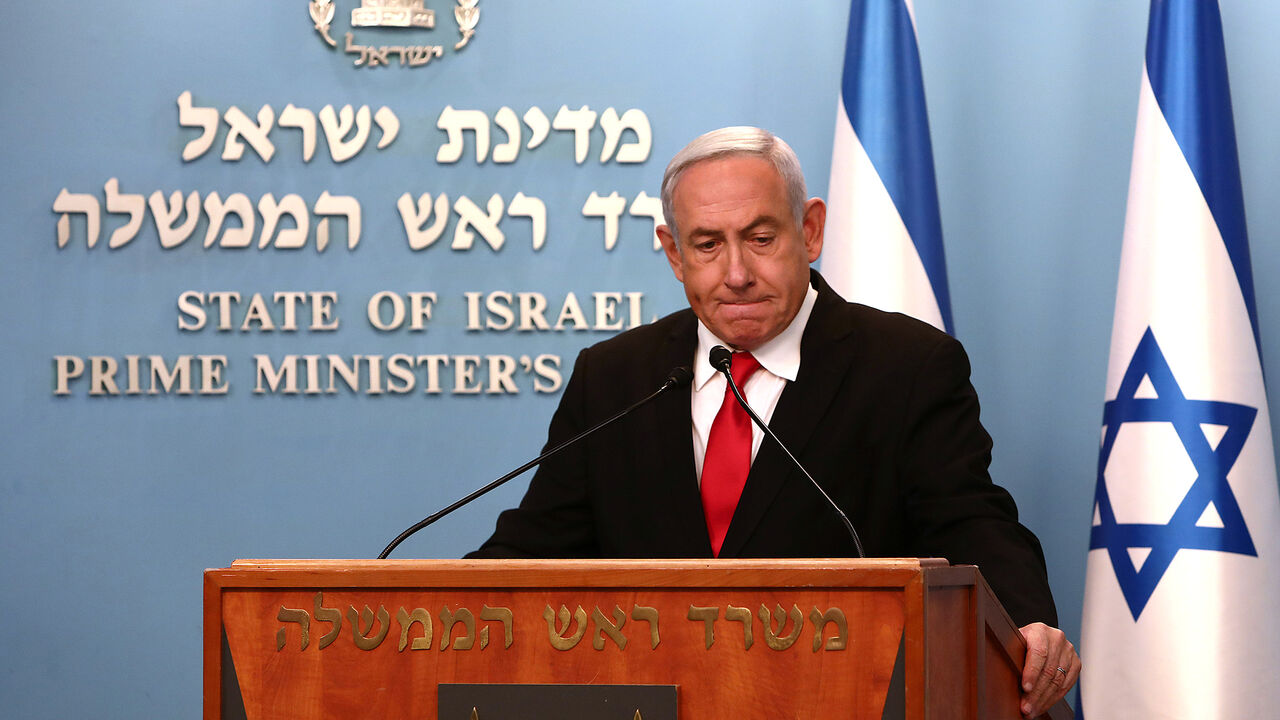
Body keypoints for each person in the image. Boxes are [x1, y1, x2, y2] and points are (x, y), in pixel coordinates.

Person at [468, 126, 1080, 716]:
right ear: (674, 253)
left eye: (760, 238)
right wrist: (427, 610)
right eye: (707, 245)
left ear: (810, 231)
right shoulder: (615, 377)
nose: (736, 273)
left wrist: (1025, 619)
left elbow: (971, 519)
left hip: (841, 702)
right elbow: (537, 547)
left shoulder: (907, 367)